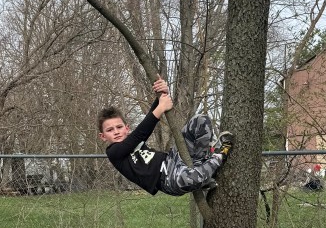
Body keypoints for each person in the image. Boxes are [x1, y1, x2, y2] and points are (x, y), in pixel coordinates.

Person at [98, 77, 234, 196]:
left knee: (200, 120)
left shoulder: (133, 140)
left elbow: (147, 123)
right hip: (168, 179)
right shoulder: (113, 153)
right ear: (103, 136)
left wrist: (162, 94)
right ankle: (219, 154)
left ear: (127, 128)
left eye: (119, 127)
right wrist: (161, 107)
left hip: (173, 158)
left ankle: (202, 168)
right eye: (110, 130)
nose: (116, 132)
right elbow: (139, 134)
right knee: (191, 179)